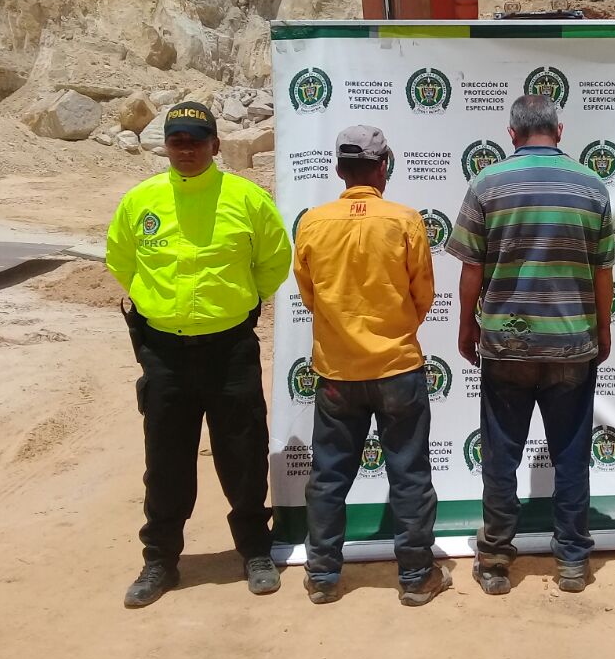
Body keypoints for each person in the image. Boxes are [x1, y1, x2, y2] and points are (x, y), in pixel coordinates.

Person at [106, 102, 292, 609]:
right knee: (165, 459)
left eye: (196, 140)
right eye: (177, 140)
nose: (186, 149)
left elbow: (275, 258)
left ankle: (255, 550)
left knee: (243, 452)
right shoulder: (140, 201)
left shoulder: (246, 199)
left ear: (214, 145)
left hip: (229, 348)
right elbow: (121, 258)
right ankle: (160, 560)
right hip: (164, 353)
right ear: (165, 145)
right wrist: (157, 303)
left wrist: (241, 301)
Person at [448, 94, 615, 596]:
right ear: (559, 131)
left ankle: (497, 558)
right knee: (570, 455)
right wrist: (603, 330)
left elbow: (471, 269)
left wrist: (465, 326)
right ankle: (570, 561)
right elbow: (603, 272)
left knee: (501, 456)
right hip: (571, 345)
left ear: (512, 133)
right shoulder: (592, 185)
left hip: (506, 347)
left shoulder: (486, 184)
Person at [291, 125, 449, 607]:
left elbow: (309, 294)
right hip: (398, 368)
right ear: (384, 167)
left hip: (337, 373)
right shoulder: (404, 221)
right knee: (410, 473)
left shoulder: (313, 222)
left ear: (339, 170)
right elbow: (423, 294)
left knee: (329, 477)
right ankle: (417, 576)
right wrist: (395, 329)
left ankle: (321, 576)